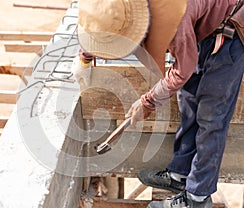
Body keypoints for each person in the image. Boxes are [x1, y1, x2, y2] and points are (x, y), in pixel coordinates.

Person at [75, 0, 244, 207]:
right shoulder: (121, 8)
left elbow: (183, 71)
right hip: (206, 21)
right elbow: (101, 24)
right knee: (188, 98)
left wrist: (148, 102)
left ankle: (197, 197)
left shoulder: (174, 19)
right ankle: (180, 174)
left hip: (232, 27)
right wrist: (85, 57)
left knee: (212, 116)